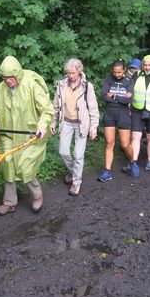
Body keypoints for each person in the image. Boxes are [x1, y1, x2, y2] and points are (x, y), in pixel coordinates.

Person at [0, 56, 54, 215]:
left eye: (11, 78)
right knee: (7, 163)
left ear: (18, 75)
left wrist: (42, 125)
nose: (8, 81)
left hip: (30, 135)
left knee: (25, 166)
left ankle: (37, 195)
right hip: (8, 133)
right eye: (5, 78)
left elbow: (47, 109)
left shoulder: (32, 85)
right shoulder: (1, 88)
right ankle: (9, 202)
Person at [50, 58, 99, 196]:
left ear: (79, 71)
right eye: (69, 73)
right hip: (66, 122)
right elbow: (56, 106)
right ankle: (73, 172)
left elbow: (93, 108)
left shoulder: (87, 86)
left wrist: (93, 127)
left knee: (78, 155)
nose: (71, 76)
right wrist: (53, 122)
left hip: (81, 124)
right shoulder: (61, 85)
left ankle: (76, 183)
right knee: (63, 151)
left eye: (73, 73)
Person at [98, 59, 133, 182]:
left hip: (123, 114)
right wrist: (121, 96)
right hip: (109, 113)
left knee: (125, 144)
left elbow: (129, 100)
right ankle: (107, 171)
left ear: (124, 70)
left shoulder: (129, 81)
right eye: (115, 72)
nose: (117, 74)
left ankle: (132, 161)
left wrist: (113, 95)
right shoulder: (108, 79)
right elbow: (103, 96)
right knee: (109, 143)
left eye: (119, 72)